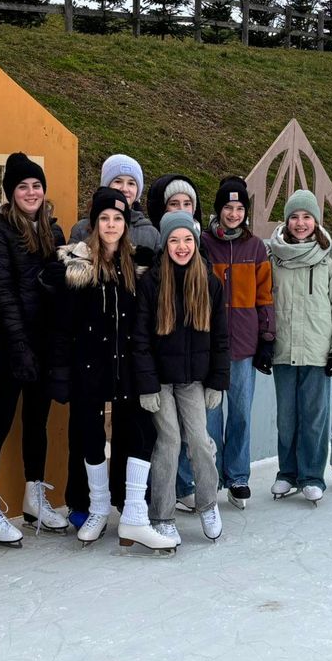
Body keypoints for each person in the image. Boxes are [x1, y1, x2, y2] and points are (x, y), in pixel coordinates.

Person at [46, 187, 178, 553]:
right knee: (89, 433)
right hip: (88, 364)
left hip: (128, 364)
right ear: (94, 223)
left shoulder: (139, 264)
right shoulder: (76, 265)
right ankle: (99, 506)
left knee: (140, 430)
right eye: (104, 218)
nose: (111, 224)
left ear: (126, 223)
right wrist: (60, 371)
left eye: (117, 218)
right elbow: (62, 326)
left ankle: (134, 513)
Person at [0, 153, 67, 544]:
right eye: (22, 187)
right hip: (9, 345)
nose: (31, 192)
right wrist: (17, 348)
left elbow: (59, 288)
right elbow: (2, 294)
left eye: (36, 185)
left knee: (36, 421)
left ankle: (34, 497)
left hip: (45, 343)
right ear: (11, 194)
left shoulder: (54, 233)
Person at [65, 155, 160, 526]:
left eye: (131, 183)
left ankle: (130, 501)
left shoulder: (149, 235)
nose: (125, 189)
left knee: (130, 426)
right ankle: (84, 500)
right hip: (93, 347)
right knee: (85, 426)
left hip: (128, 348)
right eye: (117, 182)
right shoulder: (80, 232)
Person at [134, 212, 230, 543]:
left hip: (192, 379)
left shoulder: (208, 281)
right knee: (170, 441)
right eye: (174, 240)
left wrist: (217, 381)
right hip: (160, 380)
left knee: (201, 441)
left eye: (187, 239)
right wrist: (147, 386)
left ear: (196, 242)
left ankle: (207, 503)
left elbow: (220, 336)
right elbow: (141, 339)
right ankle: (161, 513)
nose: (182, 246)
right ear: (165, 244)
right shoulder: (151, 283)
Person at [266, 189, 332, 504]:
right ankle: (287, 473)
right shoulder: (272, 256)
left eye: (306, 217)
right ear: (286, 221)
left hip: (318, 351)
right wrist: (264, 343)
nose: (300, 223)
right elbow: (264, 302)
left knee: (314, 416)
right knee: (287, 417)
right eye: (294, 217)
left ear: (316, 221)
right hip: (284, 350)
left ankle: (312, 476)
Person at [202, 176, 274, 510]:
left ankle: (238, 475)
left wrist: (267, 337)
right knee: (211, 416)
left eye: (239, 208)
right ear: (219, 209)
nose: (233, 213)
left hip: (244, 345)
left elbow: (265, 297)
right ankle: (212, 473)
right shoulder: (203, 243)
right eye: (228, 207)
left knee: (241, 413)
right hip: (211, 346)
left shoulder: (255, 247)